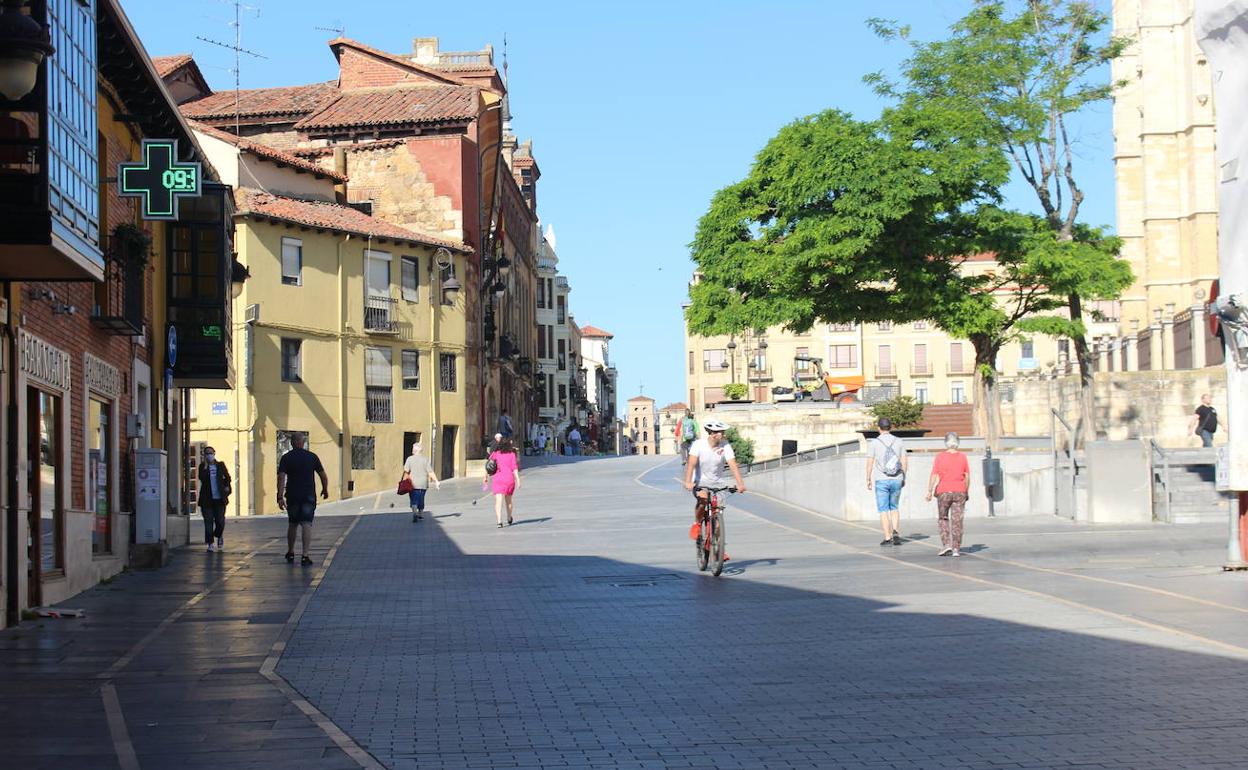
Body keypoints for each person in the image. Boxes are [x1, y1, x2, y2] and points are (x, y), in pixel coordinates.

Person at [682, 419, 746, 553]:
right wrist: (688, 481)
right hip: (701, 481)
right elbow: (691, 464)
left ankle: (718, 549)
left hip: (718, 483)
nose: (722, 435)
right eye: (719, 432)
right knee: (703, 499)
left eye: (722, 432)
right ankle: (698, 523)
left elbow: (733, 465)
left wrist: (740, 484)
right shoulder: (698, 445)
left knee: (717, 520)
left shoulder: (725, 445)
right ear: (711, 434)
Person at [277, 434, 329, 565]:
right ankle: (305, 556)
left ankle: (290, 552)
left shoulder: (286, 458)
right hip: (308, 495)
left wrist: (279, 496)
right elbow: (323, 476)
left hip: (292, 495)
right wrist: (325, 489)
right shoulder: (312, 457)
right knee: (306, 523)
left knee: (292, 524)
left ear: (291, 443)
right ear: (303, 442)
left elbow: (281, 478)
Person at [926, 432, 970, 557]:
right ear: (958, 442)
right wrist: (966, 490)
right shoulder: (963, 457)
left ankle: (947, 545)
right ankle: (956, 548)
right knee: (957, 520)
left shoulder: (940, 457)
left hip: (944, 491)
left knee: (943, 518)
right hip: (959, 490)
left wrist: (929, 491)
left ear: (946, 442)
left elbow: (934, 475)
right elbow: (967, 476)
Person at [866, 417, 908, 546]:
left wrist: (868, 478)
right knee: (894, 507)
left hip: (881, 479)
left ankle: (888, 537)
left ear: (879, 428)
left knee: (883, 509)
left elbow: (870, 462)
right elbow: (904, 461)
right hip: (897, 478)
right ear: (890, 427)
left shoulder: (874, 443)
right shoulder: (899, 441)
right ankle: (895, 531)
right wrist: (903, 477)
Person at [197, 447, 231, 553]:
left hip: (219, 499)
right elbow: (201, 478)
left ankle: (219, 535)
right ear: (204, 455)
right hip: (206, 500)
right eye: (206, 454)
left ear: (214, 454)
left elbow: (228, 477)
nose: (209, 455)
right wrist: (206, 467)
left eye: (210, 453)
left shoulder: (220, 465)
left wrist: (226, 486)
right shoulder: (202, 466)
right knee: (208, 522)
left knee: (220, 521)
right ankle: (210, 543)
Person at [486, 437, 521, 527]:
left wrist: (486, 477)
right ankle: (509, 517)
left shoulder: (496, 454)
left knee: (498, 501)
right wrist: (518, 480)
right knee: (508, 501)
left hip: (498, 479)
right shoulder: (512, 455)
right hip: (509, 479)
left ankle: (499, 521)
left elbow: (489, 465)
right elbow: (514, 468)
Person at [402, 442, 441, 522]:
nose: (412, 450)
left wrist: (403, 482)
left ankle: (415, 513)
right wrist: (436, 481)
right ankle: (420, 514)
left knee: (413, 499)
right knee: (421, 498)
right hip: (423, 483)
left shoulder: (410, 459)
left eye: (413, 448)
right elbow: (430, 472)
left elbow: (406, 472)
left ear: (415, 450)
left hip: (412, 483)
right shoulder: (425, 459)